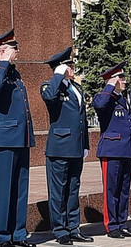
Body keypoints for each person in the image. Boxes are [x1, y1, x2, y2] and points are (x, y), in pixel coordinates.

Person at [0, 29, 36, 247]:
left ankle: (19, 234)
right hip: (4, 139)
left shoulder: (15, 73)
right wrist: (3, 62)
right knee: (4, 190)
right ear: (2, 50)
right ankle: (3, 237)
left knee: (20, 190)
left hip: (21, 138)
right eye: (14, 48)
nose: (18, 51)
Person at [40, 47, 92, 245]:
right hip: (59, 147)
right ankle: (60, 230)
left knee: (72, 188)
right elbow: (49, 97)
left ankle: (73, 227)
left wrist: (85, 144)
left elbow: (82, 120)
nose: (72, 68)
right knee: (58, 191)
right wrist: (57, 76)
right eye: (68, 66)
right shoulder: (49, 86)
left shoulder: (76, 88)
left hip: (76, 147)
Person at [93, 62, 131, 239]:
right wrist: (109, 85)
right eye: (121, 78)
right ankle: (111, 226)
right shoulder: (103, 97)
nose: (125, 81)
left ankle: (122, 223)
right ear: (112, 80)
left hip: (126, 151)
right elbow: (99, 105)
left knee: (123, 190)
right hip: (111, 151)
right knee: (111, 190)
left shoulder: (123, 99)